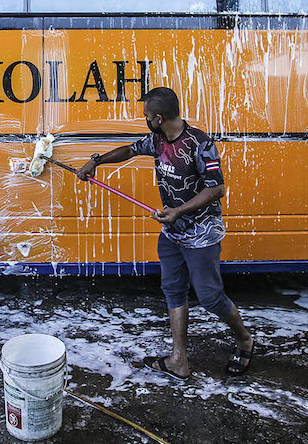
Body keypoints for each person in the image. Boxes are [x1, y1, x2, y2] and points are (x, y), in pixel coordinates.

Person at [76, 86, 254, 379]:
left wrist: (178, 211)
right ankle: (178, 360)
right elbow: (129, 150)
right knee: (173, 290)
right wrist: (96, 161)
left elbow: (217, 188)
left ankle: (245, 339)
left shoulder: (200, 143)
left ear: (158, 117)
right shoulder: (158, 140)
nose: (144, 119)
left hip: (202, 234)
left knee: (210, 297)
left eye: (146, 115)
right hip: (173, 234)